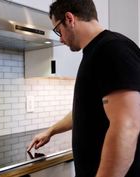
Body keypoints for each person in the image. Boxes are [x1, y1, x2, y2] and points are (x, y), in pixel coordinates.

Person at [27, 0, 140, 177]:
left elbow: (127, 125)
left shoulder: (111, 49)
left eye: (58, 30)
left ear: (69, 19)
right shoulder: (96, 52)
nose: (60, 38)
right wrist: (51, 130)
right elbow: (86, 110)